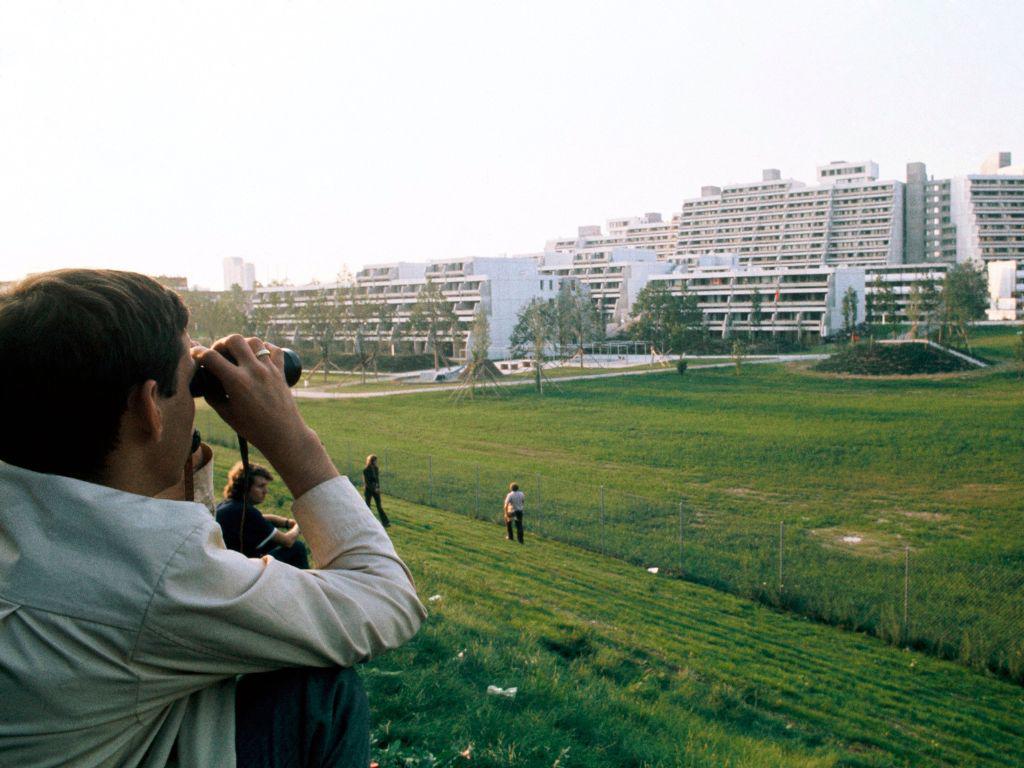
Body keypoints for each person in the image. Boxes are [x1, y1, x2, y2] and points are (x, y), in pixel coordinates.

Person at [0, 269, 426, 768]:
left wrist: (181, 466)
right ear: (148, 408)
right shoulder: (157, 578)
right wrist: (291, 437)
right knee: (321, 689)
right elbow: (387, 598)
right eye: (189, 380)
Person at [217, 460, 311, 569]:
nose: (265, 491)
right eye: (261, 486)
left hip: (228, 562)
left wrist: (287, 523)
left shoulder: (230, 505)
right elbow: (287, 541)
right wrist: (299, 525)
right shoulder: (248, 512)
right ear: (245, 487)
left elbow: (262, 518)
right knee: (296, 547)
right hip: (240, 568)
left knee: (270, 544)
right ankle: (308, 584)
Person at [362, 454, 391, 527]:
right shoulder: (365, 470)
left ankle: (385, 522)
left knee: (379, 506)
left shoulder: (376, 469)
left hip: (376, 489)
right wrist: (373, 489)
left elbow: (377, 480)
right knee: (367, 506)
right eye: (375, 461)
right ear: (371, 461)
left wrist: (378, 488)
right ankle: (367, 522)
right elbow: (367, 483)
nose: (376, 462)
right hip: (368, 490)